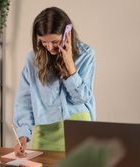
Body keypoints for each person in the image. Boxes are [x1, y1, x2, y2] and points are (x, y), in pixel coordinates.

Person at [13, 7, 96, 157]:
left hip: (78, 127)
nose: (50, 47)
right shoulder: (32, 59)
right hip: (45, 133)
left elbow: (82, 97)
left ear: (67, 33)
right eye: (44, 42)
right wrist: (23, 136)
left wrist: (69, 63)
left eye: (55, 41)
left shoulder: (86, 54)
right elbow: (24, 100)